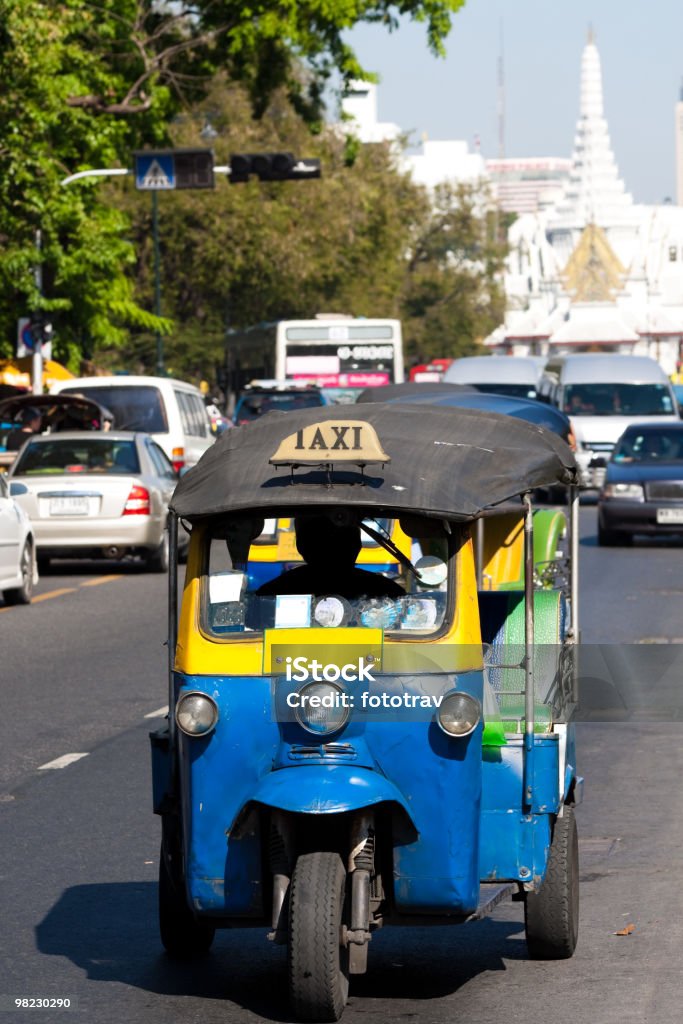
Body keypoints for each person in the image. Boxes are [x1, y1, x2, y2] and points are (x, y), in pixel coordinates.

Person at [257, 516, 405, 600]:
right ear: (357, 545)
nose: (333, 544)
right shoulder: (388, 593)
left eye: (341, 538)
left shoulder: (270, 594)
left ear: (300, 546)